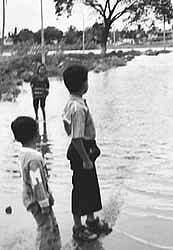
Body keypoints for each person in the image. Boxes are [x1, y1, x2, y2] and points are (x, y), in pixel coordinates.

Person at [62, 65, 111, 242]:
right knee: (80, 189)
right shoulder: (77, 108)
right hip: (81, 150)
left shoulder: (74, 102)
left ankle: (90, 220)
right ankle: (78, 226)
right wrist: (86, 159)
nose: (87, 83)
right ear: (83, 84)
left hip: (84, 148)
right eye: (86, 80)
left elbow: (66, 126)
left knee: (89, 186)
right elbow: (76, 138)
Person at [11, 116, 61, 250]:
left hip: (31, 198)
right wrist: (44, 203)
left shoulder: (23, 154)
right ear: (35, 134)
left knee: (49, 227)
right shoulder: (34, 158)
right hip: (38, 201)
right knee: (45, 230)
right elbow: (37, 183)